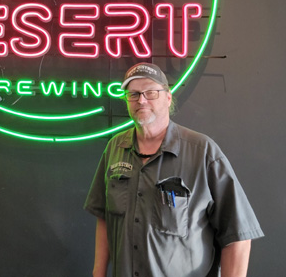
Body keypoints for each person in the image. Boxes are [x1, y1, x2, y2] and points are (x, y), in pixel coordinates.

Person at [84, 62, 264, 277]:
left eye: (150, 92)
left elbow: (238, 236)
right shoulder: (115, 147)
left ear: (168, 98)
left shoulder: (202, 152)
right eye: (133, 94)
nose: (141, 100)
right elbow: (104, 218)